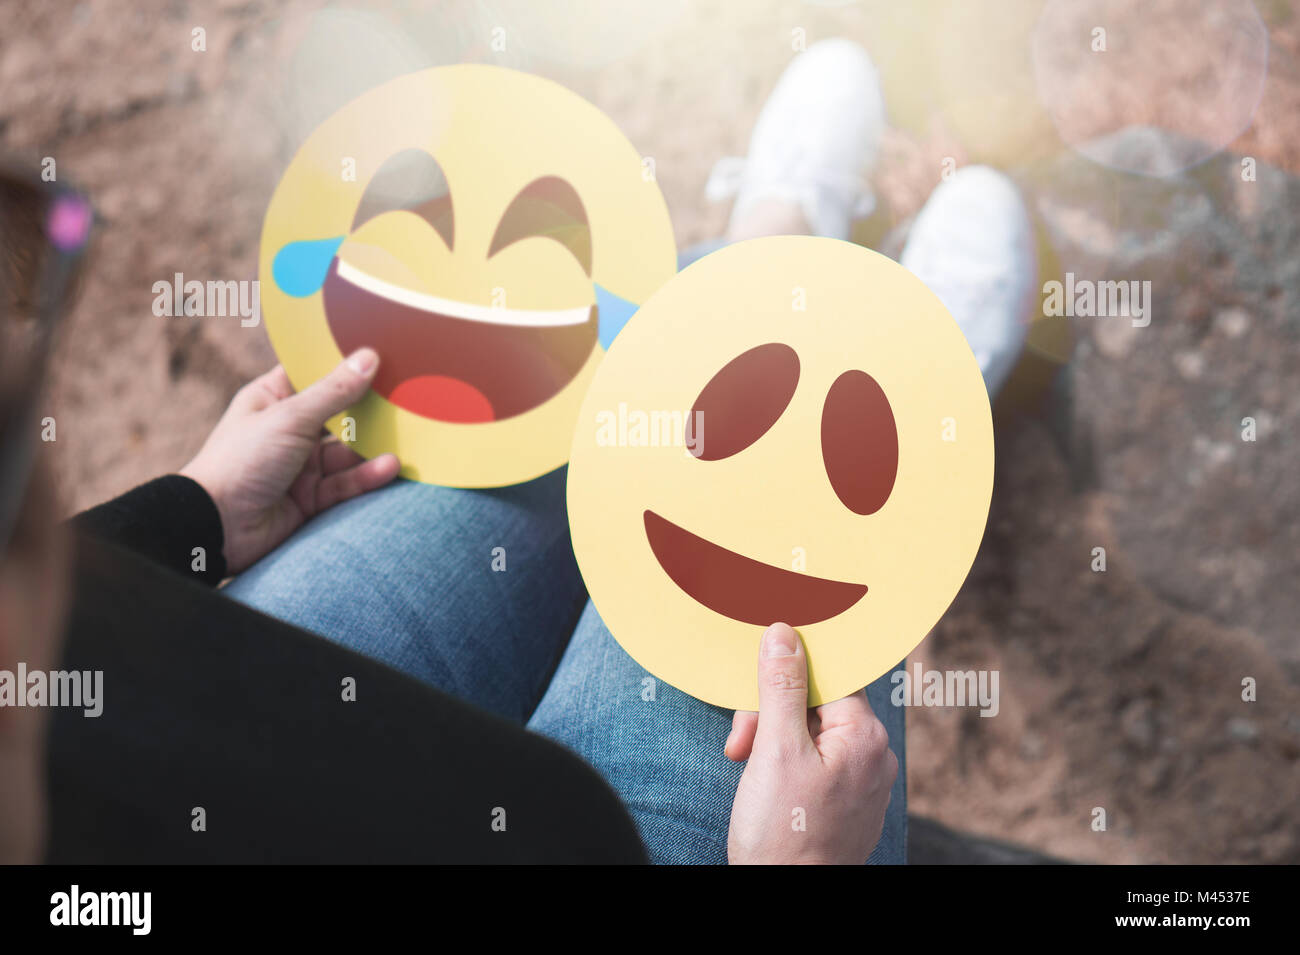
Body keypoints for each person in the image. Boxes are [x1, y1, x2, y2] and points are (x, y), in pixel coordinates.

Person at [2, 38, 1034, 865]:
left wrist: (187, 517)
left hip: (204, 673)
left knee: (598, 410)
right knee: (753, 544)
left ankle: (782, 244)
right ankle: (906, 376)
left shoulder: (45, 675)